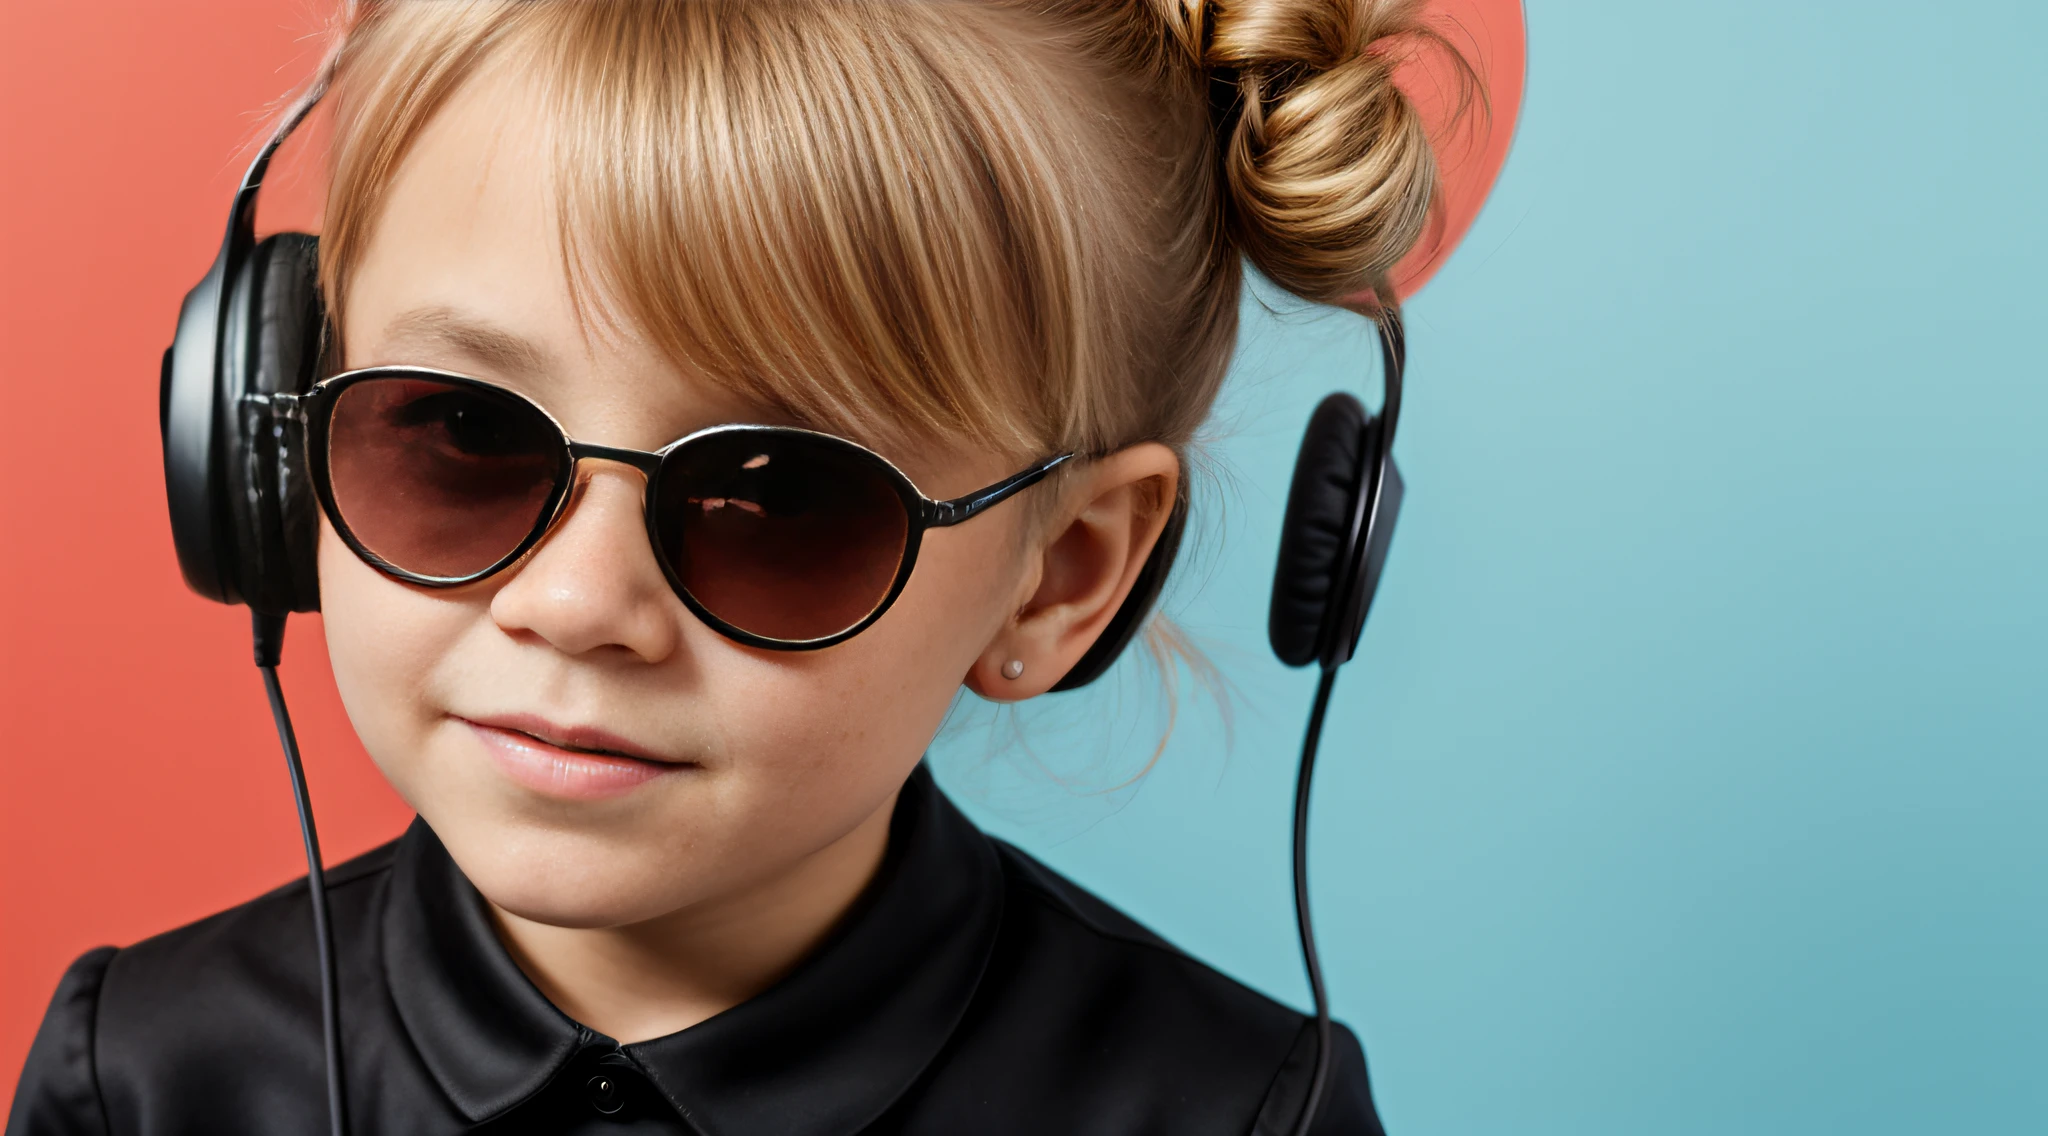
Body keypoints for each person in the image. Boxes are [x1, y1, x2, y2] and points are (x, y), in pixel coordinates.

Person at [9, 1, 1468, 1132]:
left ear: (1059, 575)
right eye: (461, 433)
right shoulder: (143, 1076)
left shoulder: (1233, 1116)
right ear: (263, 440)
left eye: (776, 501)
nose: (576, 606)